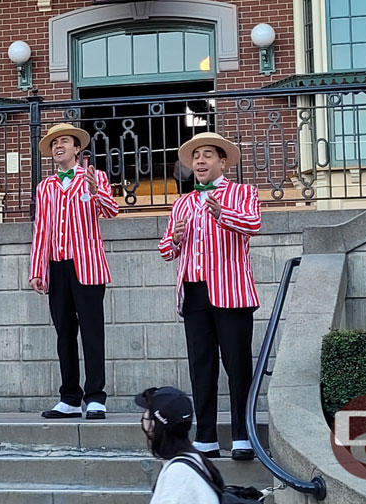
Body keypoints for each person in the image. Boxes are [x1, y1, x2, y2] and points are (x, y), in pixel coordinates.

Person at [157, 132, 261, 460]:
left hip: (231, 291)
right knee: (201, 366)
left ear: (222, 162)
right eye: (196, 157)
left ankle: (244, 435)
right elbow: (165, 250)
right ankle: (205, 437)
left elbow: (253, 224)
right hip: (194, 292)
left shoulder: (243, 192)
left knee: (237, 365)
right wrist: (174, 238)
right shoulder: (183, 202)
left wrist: (221, 215)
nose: (200, 161)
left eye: (207, 155)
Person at [29, 122, 119, 420]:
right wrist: (37, 269)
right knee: (63, 333)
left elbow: (111, 211)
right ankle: (69, 397)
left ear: (76, 148)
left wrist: (96, 192)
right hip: (57, 267)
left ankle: (95, 397)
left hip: (88, 265)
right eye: (54, 143)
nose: (58, 146)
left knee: (92, 332)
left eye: (64, 141)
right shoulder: (46, 187)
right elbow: (42, 229)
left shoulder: (95, 177)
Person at [137, 386, 221, 504]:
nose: (143, 417)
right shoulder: (193, 460)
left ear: (153, 425)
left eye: (146, 412)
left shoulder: (178, 475)